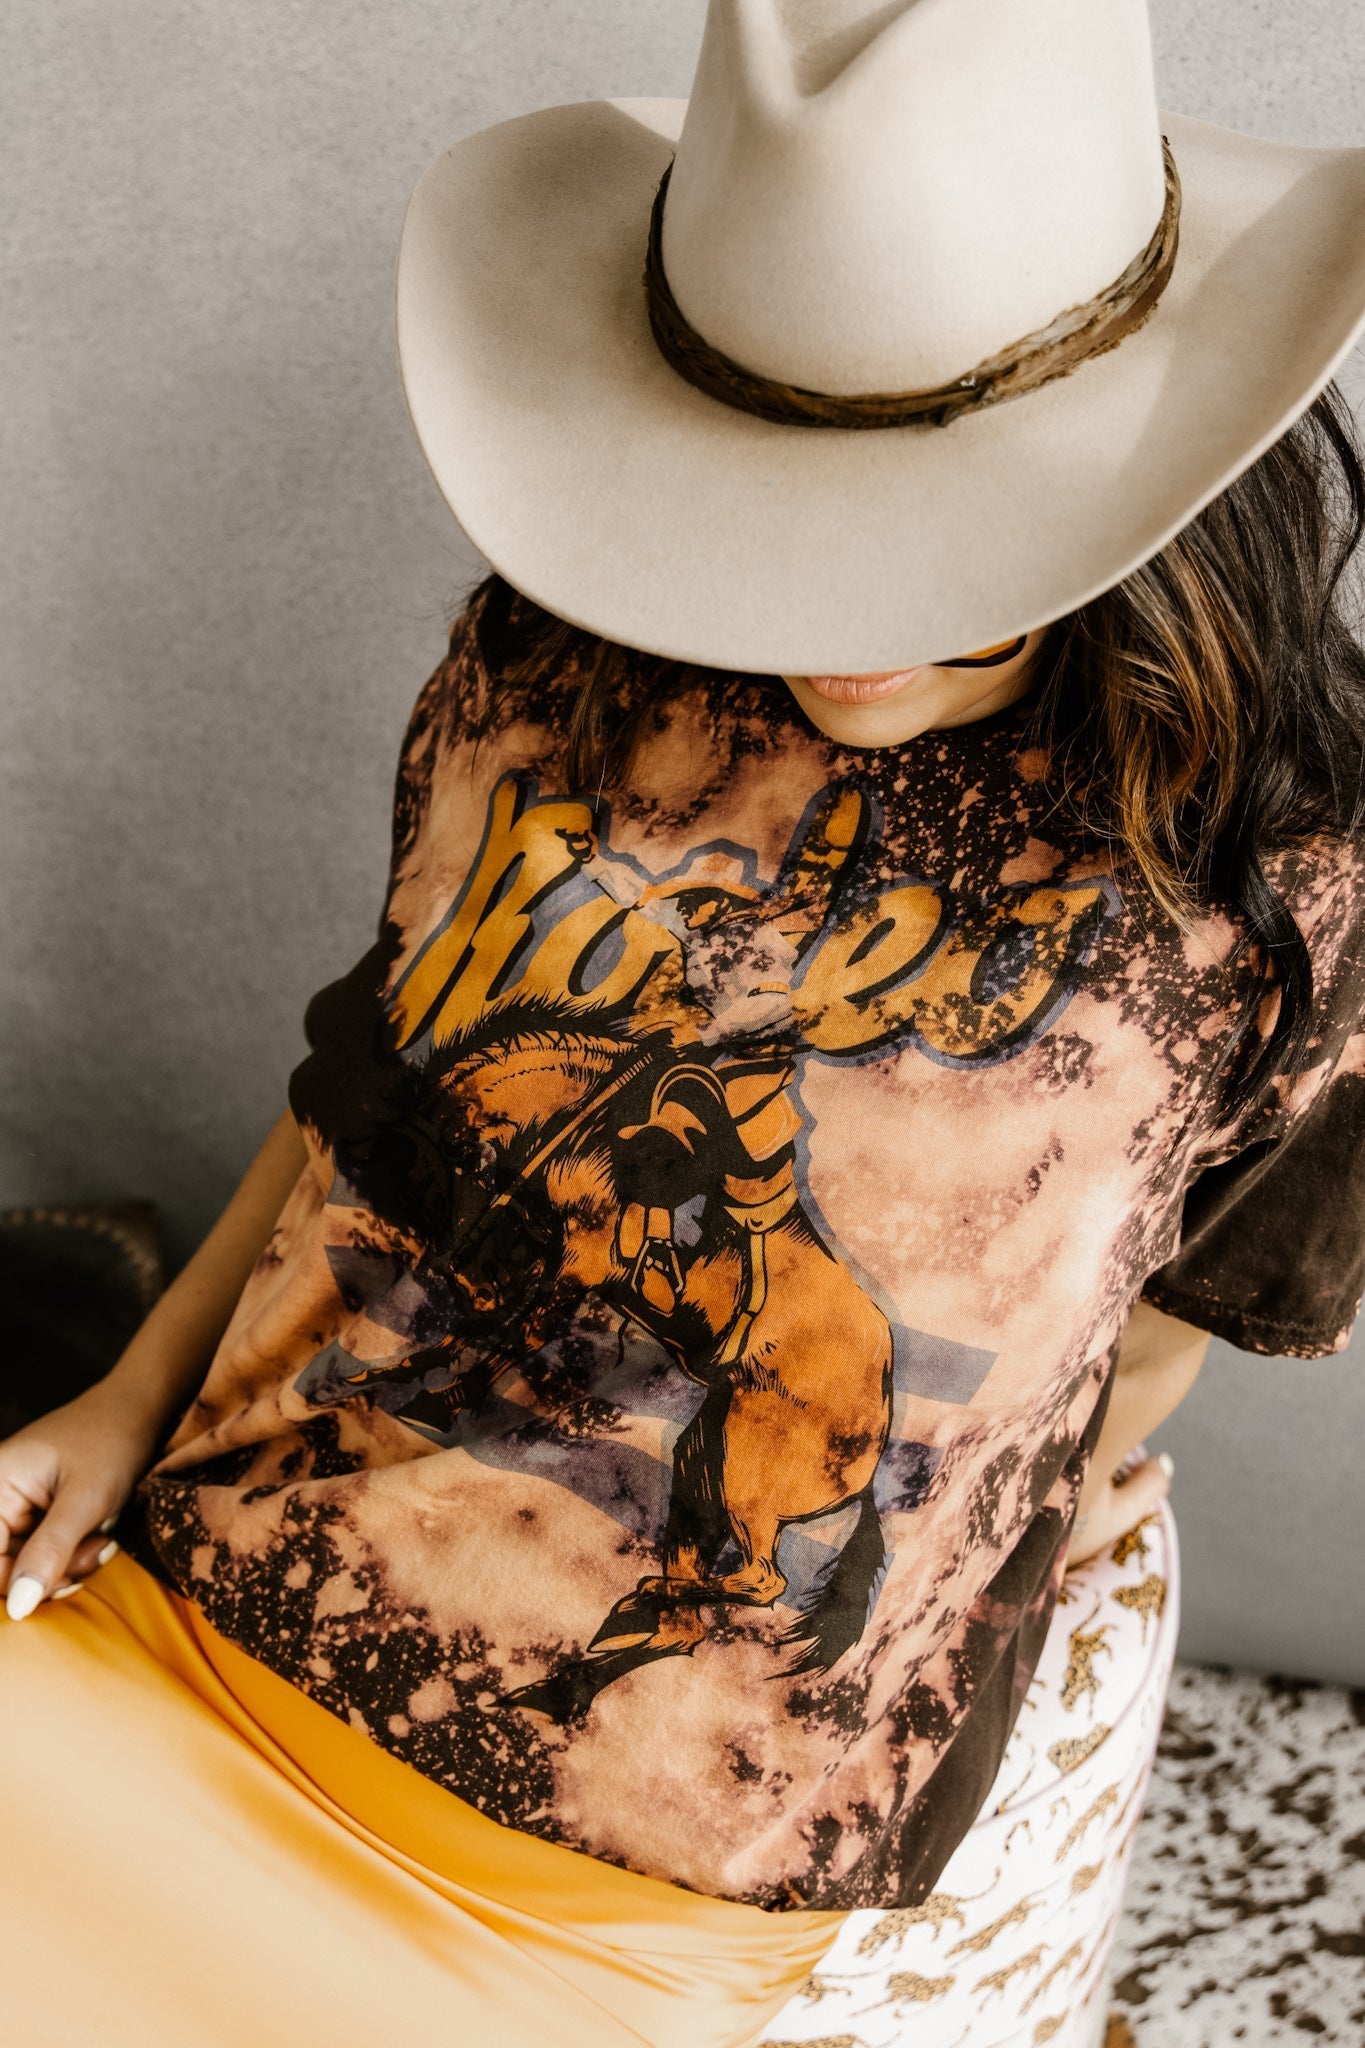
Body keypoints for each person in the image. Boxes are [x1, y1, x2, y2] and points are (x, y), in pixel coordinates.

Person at [4, 5, 1365, 2045]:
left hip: (616, 1882)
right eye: (783, 510)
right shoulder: (550, 668)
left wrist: (1039, 1484)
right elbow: (375, 1092)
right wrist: (123, 1400)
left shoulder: (1277, 874)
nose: (847, 628)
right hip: (195, 1622)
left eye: (947, 538)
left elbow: (1199, 1280)